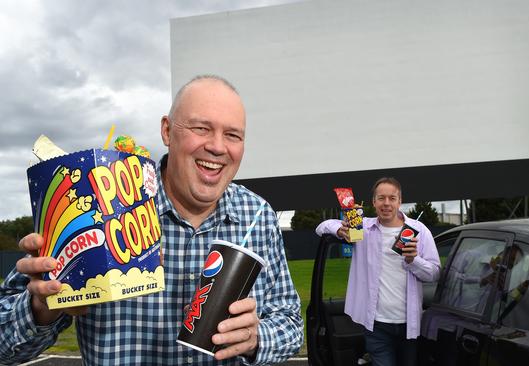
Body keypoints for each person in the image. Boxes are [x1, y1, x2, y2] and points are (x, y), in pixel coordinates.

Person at [0, 75, 303, 365]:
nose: (218, 146)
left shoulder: (258, 215)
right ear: (168, 131)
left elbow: (290, 323)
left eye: (233, 135)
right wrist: (40, 309)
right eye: (201, 128)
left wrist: (255, 338)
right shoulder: (97, 205)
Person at [315, 177, 440, 366]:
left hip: (410, 324)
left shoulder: (418, 231)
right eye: (381, 198)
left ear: (400, 201)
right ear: (373, 202)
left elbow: (434, 273)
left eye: (392, 198)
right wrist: (341, 231)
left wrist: (413, 260)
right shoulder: (362, 228)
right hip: (376, 324)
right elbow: (321, 227)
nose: (387, 203)